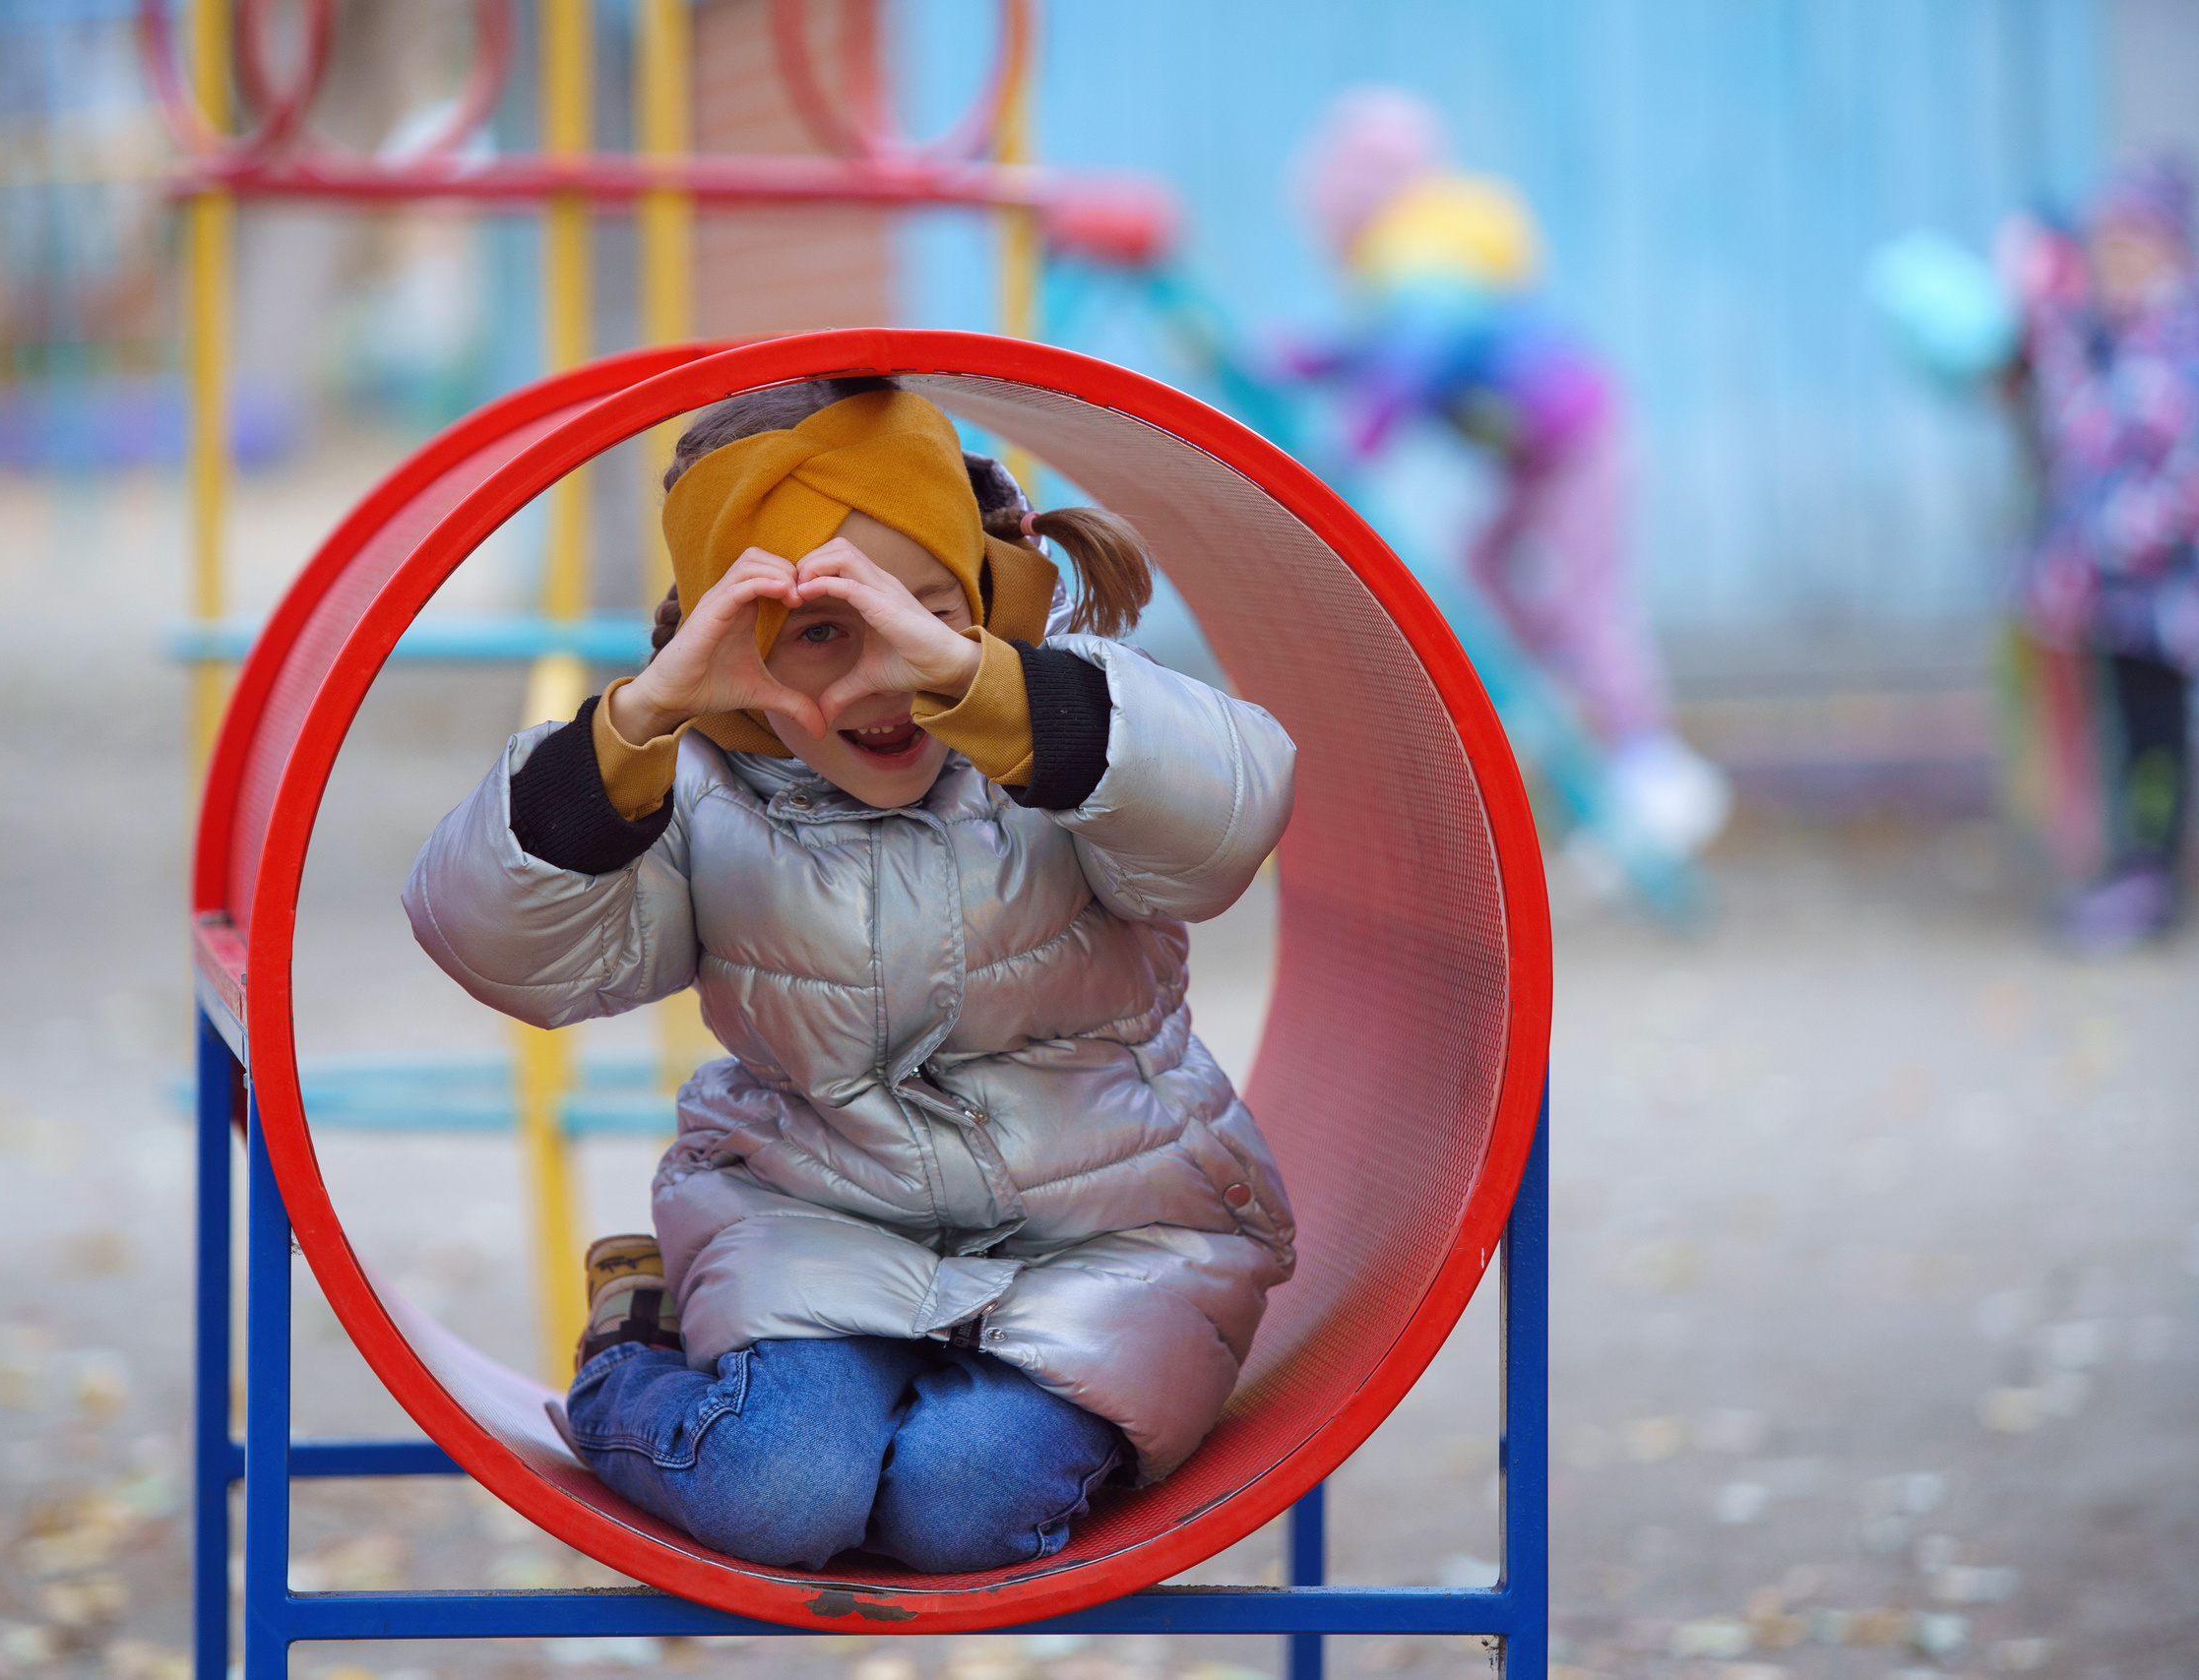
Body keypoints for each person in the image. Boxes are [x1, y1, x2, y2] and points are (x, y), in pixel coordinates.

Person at [403, 380, 1297, 1572]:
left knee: (966, 1503)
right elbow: (507, 952)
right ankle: (633, 1350)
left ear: (979, 598)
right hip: (813, 1222)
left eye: (922, 612)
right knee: (781, 1494)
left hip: (1111, 1237)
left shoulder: (1066, 723)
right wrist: (640, 720)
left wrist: (997, 694)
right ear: (731, 643)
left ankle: (916, 1431)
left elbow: (1228, 813)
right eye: (822, 631)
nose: (885, 676)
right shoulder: (693, 786)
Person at [1283, 89, 1728, 860]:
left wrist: (1361, 439)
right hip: (1537, 455)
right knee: (1484, 564)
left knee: (1588, 600)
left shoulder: (1421, 260)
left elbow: (1417, 352)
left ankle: (1651, 762)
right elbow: (1383, 347)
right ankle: (1537, 678)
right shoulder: (1420, 260)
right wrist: (1304, 360)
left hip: (1580, 443)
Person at [2002, 157, 2199, 949]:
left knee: (2165, 732)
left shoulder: (2181, 346)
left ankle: (2152, 872)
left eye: (2131, 247)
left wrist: (2120, 533)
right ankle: (2141, 872)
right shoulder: (2096, 342)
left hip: (2171, 596)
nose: (2114, 264)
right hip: (2117, 605)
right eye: (2104, 249)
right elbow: (2067, 434)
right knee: (2139, 738)